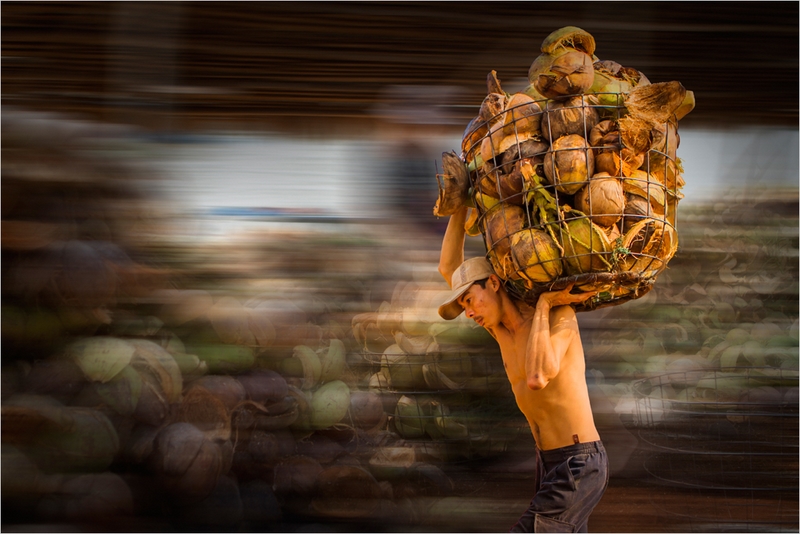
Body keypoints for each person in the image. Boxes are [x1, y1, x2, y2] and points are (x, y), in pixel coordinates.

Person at [437, 206, 609, 533]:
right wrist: (459, 208)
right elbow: (448, 269)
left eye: (470, 300)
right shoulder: (499, 329)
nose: (468, 312)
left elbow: (537, 377)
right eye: (463, 307)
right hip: (549, 463)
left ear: (493, 283)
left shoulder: (559, 316)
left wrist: (544, 303)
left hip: (580, 463)